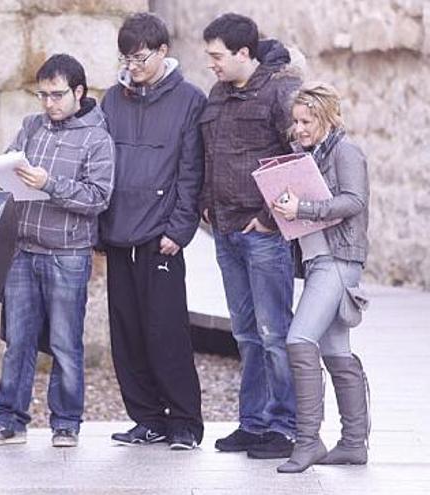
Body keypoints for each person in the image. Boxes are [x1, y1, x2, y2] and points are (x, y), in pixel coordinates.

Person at [0, 54, 114, 448]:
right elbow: (9, 164)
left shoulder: (97, 138)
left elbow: (98, 197)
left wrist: (50, 183)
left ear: (79, 92)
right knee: (17, 341)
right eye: (42, 95)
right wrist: (2, 175)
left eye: (57, 95)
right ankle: (8, 421)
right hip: (23, 250)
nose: (49, 104)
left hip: (68, 254)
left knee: (66, 343)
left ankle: (66, 423)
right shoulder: (30, 127)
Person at [99, 12, 205, 451]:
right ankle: (146, 418)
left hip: (162, 235)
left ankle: (185, 422)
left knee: (166, 331)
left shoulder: (190, 100)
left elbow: (191, 170)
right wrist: (99, 230)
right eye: (126, 57)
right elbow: (101, 163)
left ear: (163, 52)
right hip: (118, 233)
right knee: (125, 331)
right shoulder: (112, 99)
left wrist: (180, 230)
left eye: (140, 57)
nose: (132, 66)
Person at [199, 13, 302, 459]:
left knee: (274, 332)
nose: (212, 65)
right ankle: (253, 423)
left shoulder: (280, 92)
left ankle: (285, 426)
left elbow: (302, 157)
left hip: (263, 237)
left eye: (218, 57)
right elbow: (208, 155)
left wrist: (269, 218)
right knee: (245, 334)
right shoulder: (217, 95)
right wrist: (206, 203)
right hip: (225, 233)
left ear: (245, 54)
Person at [273, 82, 370, 473]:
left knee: (298, 340)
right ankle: (352, 443)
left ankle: (308, 441)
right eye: (295, 121)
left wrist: (304, 207)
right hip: (316, 260)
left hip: (338, 259)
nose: (298, 128)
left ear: (327, 117)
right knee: (336, 353)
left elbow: (354, 201)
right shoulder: (306, 154)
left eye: (306, 121)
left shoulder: (346, 151)